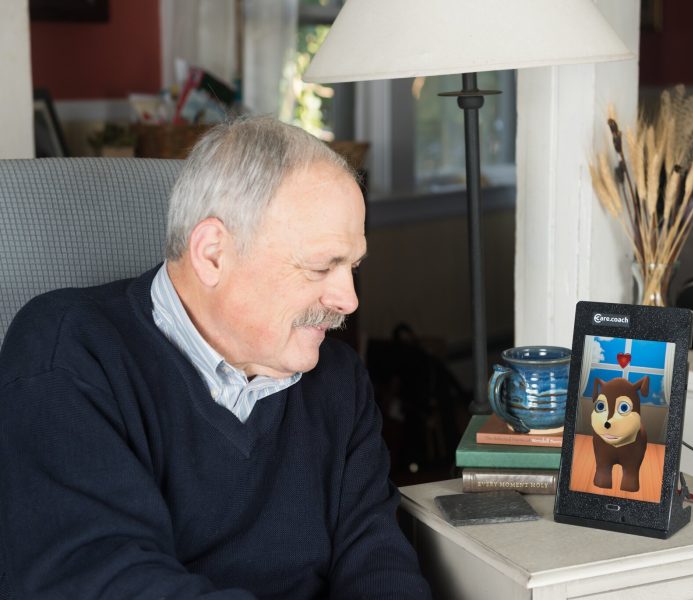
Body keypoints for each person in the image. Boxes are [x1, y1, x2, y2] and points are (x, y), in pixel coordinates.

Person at [0, 117, 432, 599]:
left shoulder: (338, 379)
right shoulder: (67, 353)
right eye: (320, 266)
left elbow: (378, 563)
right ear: (211, 254)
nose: (348, 300)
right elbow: (104, 579)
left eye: (351, 266)